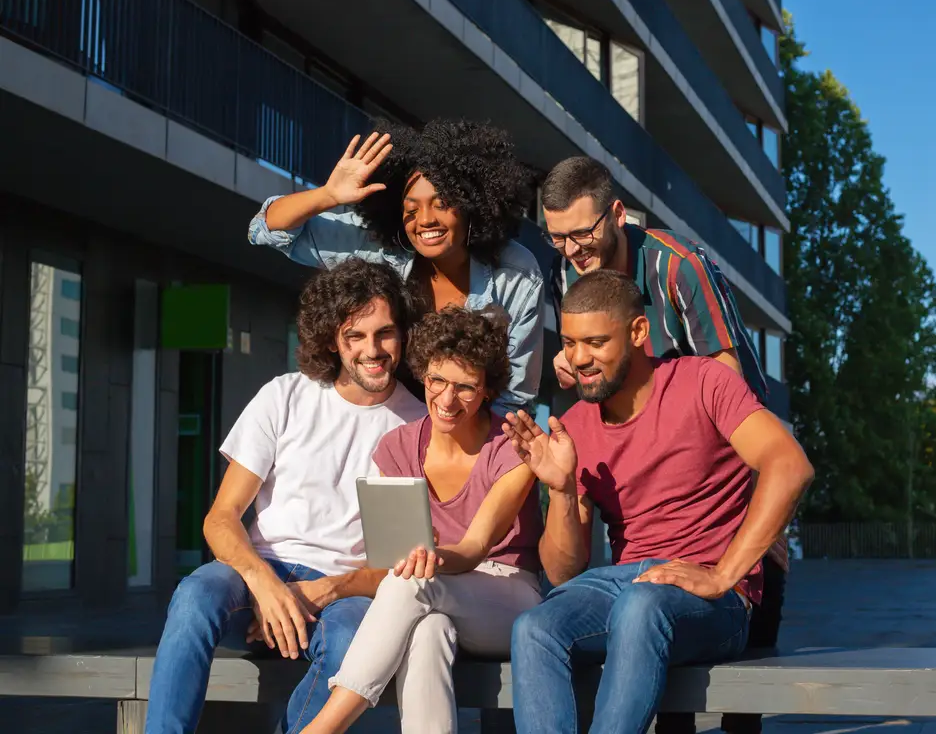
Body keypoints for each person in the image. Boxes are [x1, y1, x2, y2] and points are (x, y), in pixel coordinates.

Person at [503, 270, 814, 734]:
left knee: (642, 606)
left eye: (595, 342)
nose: (579, 358)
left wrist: (723, 575)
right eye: (570, 343)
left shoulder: (704, 381)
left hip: (714, 599)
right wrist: (563, 490)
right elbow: (564, 572)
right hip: (624, 584)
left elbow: (790, 466)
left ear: (638, 332)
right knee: (534, 628)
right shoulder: (575, 426)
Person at [540, 155, 789, 734]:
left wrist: (741, 540)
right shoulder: (567, 272)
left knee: (741, 684)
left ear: (617, 214)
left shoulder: (677, 268)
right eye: (558, 238)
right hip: (654, 502)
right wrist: (582, 366)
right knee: (660, 678)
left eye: (582, 233)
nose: (572, 250)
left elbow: (725, 383)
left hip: (729, 473)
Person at [143, 259, 428, 734]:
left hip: (346, 591)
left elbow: (400, 562)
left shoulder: (419, 425)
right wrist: (266, 586)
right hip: (260, 572)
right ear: (332, 340)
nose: (372, 350)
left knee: (351, 641)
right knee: (194, 596)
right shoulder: (285, 396)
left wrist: (323, 590)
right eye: (355, 336)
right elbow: (221, 518)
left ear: (403, 335)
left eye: (385, 333)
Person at [298, 306, 544, 734]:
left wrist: (431, 559)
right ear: (423, 374)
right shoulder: (397, 447)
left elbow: (473, 549)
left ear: (487, 389)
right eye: (437, 381)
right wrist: (416, 561)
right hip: (430, 595)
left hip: (508, 596)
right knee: (428, 630)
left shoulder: (511, 449)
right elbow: (389, 556)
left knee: (411, 582)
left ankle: (322, 729)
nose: (446, 400)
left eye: (465, 387)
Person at [248, 117, 545, 415]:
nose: (425, 220)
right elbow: (266, 229)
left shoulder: (516, 275)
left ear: (473, 205)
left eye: (442, 204)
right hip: (381, 419)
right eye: (411, 209)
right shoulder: (376, 245)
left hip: (467, 427)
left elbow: (513, 396)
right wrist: (328, 195)